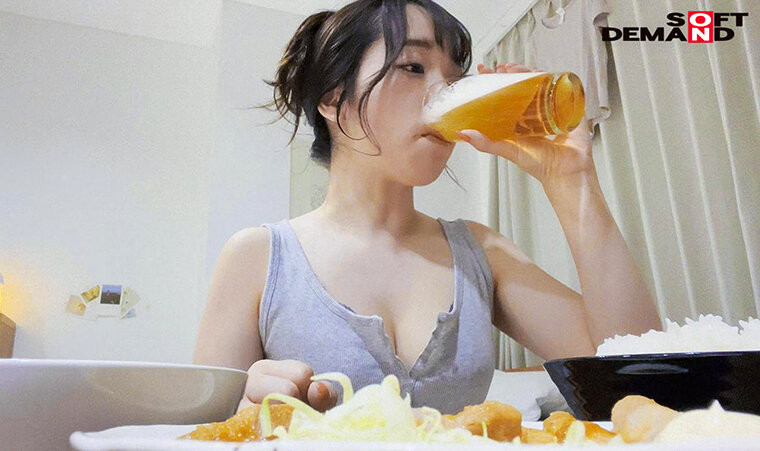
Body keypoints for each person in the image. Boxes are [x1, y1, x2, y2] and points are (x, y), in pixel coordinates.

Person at [194, 0, 660, 415]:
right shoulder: (258, 257)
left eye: (455, 79)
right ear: (335, 99)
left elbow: (638, 376)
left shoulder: (481, 251)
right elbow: (198, 432)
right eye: (413, 67)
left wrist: (572, 180)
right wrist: (244, 408)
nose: (445, 93)